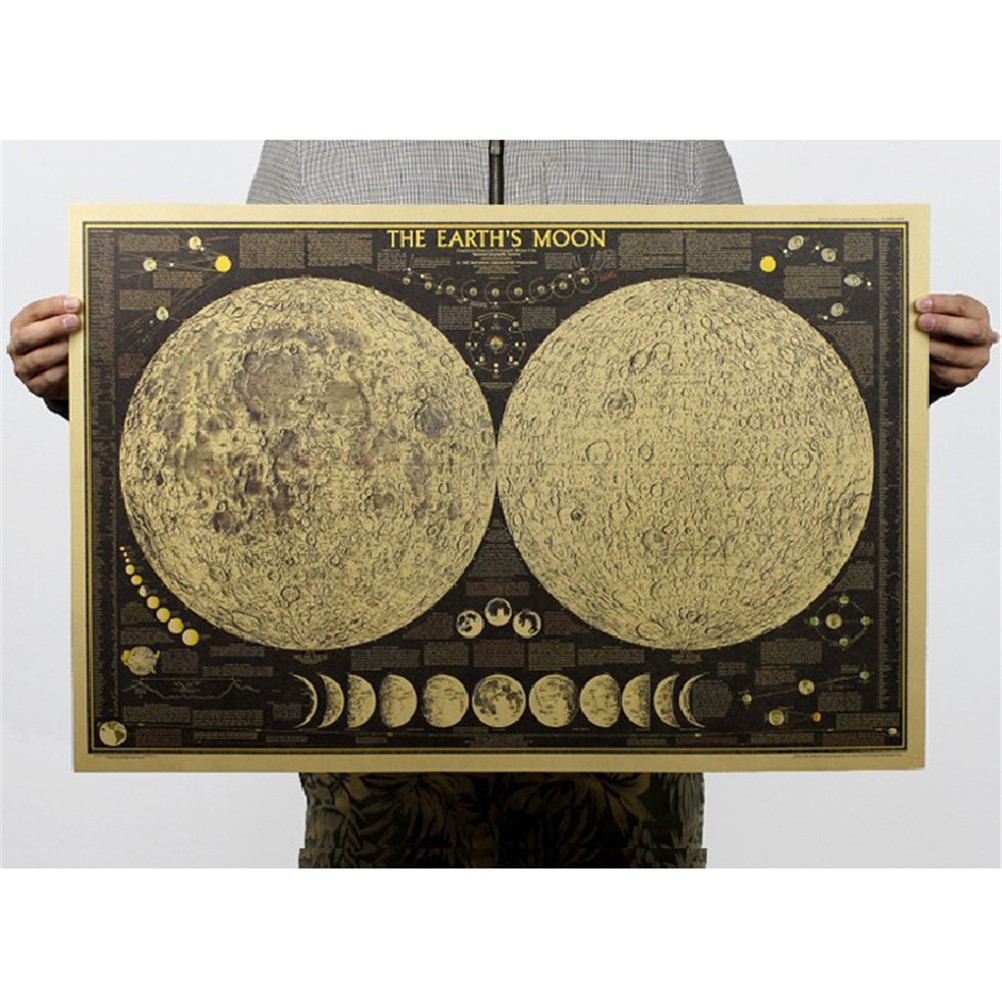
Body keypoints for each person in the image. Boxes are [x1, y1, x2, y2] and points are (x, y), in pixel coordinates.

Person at [8, 141, 998, 868]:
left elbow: (742, 396)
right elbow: (248, 394)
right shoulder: (315, 143)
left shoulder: (676, 141)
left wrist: (902, 370)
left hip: (631, 713)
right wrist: (86, 383)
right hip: (371, 722)